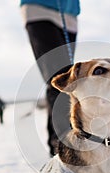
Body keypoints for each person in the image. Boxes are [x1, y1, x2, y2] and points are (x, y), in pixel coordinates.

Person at [20, 0, 80, 156]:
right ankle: (61, 149)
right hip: (39, 9)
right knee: (60, 80)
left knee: (69, 78)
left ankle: (67, 144)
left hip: (70, 15)